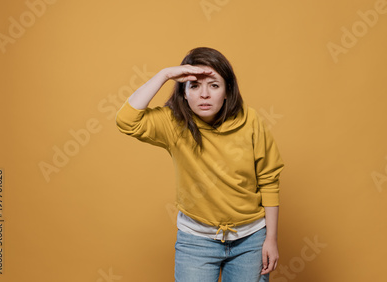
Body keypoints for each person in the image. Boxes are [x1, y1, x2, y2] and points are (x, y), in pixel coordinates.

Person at [115, 47, 285, 282]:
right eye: (194, 86)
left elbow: (269, 179)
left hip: (251, 239)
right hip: (196, 240)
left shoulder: (251, 121)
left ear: (227, 91)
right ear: (184, 92)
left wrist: (271, 239)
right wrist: (165, 74)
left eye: (214, 85)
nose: (204, 94)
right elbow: (126, 120)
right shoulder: (174, 124)